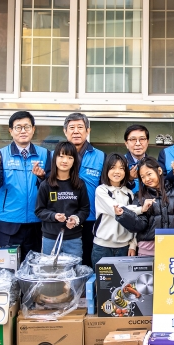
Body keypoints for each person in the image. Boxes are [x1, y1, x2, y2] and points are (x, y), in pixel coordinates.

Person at [0, 111, 49, 260]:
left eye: (27, 127)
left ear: (33, 129)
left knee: (32, 271)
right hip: (8, 223)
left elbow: (51, 187)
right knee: (7, 272)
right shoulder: (0, 155)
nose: (23, 131)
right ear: (11, 131)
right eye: (18, 127)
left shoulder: (45, 154)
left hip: (36, 223)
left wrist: (42, 177)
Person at [116, 157, 174, 256]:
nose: (146, 179)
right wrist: (124, 215)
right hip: (148, 249)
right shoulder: (140, 196)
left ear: (159, 171)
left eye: (149, 174)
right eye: (142, 177)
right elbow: (139, 225)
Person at [35, 141, 90, 257]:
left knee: (74, 272)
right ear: (55, 158)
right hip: (50, 238)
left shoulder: (79, 184)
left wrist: (76, 219)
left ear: (74, 161)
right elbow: (39, 211)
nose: (65, 161)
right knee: (50, 273)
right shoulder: (46, 184)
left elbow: (85, 209)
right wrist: (54, 216)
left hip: (74, 239)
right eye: (61, 156)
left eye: (70, 157)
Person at [63, 112, 104, 265]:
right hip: (64, 218)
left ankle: (87, 290)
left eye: (80, 127)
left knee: (88, 261)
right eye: (71, 127)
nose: (76, 131)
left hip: (91, 218)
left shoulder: (100, 156)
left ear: (88, 131)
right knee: (66, 264)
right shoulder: (55, 155)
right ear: (65, 131)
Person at [91, 153, 138, 267]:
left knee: (124, 284)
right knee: (101, 284)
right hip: (102, 247)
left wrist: (133, 244)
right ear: (106, 169)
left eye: (121, 168)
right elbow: (117, 210)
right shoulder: (101, 190)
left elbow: (135, 222)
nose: (117, 172)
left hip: (124, 247)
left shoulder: (129, 194)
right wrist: (140, 209)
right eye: (113, 168)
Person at [124, 124, 151, 194]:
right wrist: (129, 179)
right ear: (126, 143)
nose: (138, 143)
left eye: (142, 139)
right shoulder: (120, 164)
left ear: (147, 142)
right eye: (133, 139)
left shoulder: (153, 164)